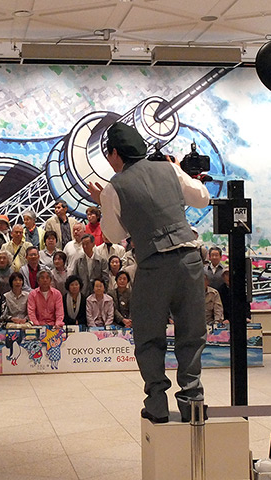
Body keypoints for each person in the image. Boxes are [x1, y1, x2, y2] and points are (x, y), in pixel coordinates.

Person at [89, 122, 210, 423]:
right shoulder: (169, 169)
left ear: (115, 154)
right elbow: (202, 198)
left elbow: (114, 235)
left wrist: (103, 204)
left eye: (108, 155)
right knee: (191, 333)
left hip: (154, 265)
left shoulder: (114, 188)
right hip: (189, 260)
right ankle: (192, 403)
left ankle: (157, 405)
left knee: (148, 336)